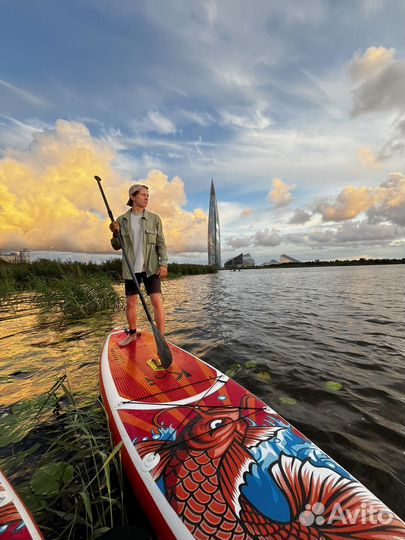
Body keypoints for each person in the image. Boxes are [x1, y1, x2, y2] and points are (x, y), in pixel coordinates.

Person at [109, 184, 168, 347]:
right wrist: (114, 233)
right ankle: (132, 334)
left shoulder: (155, 219)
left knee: (157, 301)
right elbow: (116, 245)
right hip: (131, 268)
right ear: (133, 197)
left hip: (151, 266)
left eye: (148, 195)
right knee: (131, 303)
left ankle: (161, 339)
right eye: (143, 195)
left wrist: (163, 263)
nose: (147, 197)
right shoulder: (121, 220)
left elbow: (161, 243)